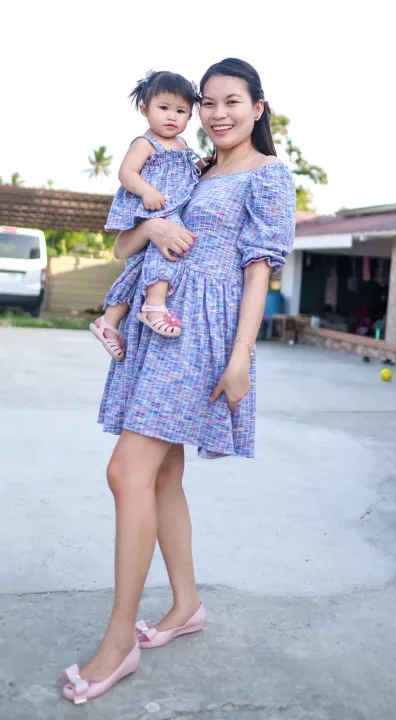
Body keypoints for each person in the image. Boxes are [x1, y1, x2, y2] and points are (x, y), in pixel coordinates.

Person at [61, 58, 296, 704]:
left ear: (257, 107)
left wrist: (241, 356)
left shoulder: (268, 176)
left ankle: (119, 643)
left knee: (125, 472)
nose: (217, 114)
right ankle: (185, 604)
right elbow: (121, 250)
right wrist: (154, 225)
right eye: (208, 103)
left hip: (203, 331)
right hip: (158, 321)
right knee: (161, 473)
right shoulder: (189, 167)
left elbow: (259, 270)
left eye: (231, 102)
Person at [90, 71, 203, 362]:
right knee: (171, 246)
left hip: (169, 208)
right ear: (145, 109)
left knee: (136, 269)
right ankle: (154, 305)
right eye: (163, 108)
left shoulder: (184, 147)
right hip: (153, 209)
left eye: (180, 111)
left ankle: (109, 321)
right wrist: (147, 191)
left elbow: (193, 171)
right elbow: (126, 172)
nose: (171, 117)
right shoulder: (145, 142)